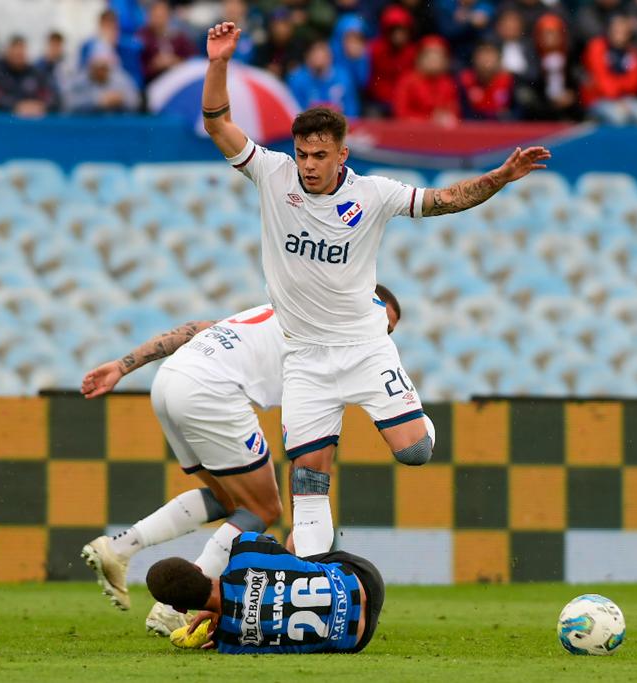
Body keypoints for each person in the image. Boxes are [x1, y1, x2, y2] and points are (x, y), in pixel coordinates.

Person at [202, 21, 549, 558]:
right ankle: (313, 576)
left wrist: (499, 177)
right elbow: (218, 123)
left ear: (342, 154)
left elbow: (445, 200)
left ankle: (413, 417)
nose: (308, 165)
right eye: (302, 154)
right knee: (309, 483)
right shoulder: (272, 176)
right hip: (304, 360)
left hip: (365, 348)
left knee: (414, 453)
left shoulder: (375, 194)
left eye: (319, 155)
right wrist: (219, 62)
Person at [79, 289, 403, 633]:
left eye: (389, 332)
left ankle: (119, 548)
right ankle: (175, 608)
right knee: (263, 509)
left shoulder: (289, 307)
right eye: (383, 323)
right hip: (210, 390)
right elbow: (308, 457)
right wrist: (304, 527)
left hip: (171, 379)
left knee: (229, 501)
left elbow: (195, 330)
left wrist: (122, 365)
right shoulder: (330, 344)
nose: (381, 334)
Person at [146, 532, 384, 654]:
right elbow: (279, 552)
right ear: (198, 568)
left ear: (181, 609)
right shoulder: (245, 548)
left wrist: (227, 616)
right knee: (288, 562)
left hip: (357, 638)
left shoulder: (229, 643)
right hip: (363, 578)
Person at [580, 14, 637, 126]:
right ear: (608, 30)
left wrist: (621, 97)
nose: (619, 34)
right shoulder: (596, 47)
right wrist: (617, 97)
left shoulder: (633, 52)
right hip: (597, 98)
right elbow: (600, 79)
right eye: (616, 30)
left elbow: (635, 82)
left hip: (625, 98)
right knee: (618, 118)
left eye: (623, 31)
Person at [0, 35, 58, 117]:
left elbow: (53, 98)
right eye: (15, 53)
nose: (18, 55)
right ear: (7, 51)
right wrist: (15, 105)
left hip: (32, 123)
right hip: (0, 122)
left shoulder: (36, 73)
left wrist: (40, 106)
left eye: (21, 53)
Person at [392, 35, 460, 125]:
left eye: (439, 56)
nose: (434, 60)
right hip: (412, 134)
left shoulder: (448, 84)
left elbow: (453, 114)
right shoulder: (407, 81)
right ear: (419, 58)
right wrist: (430, 121)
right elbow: (400, 115)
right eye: (429, 55)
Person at [63, 40, 139, 114]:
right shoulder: (80, 79)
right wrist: (96, 101)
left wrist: (120, 99)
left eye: (103, 67)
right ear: (91, 65)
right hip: (84, 125)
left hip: (115, 125)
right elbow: (67, 102)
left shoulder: (121, 78)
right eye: (97, 67)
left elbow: (135, 101)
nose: (100, 72)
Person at [287, 39, 358, 118]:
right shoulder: (297, 79)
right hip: (309, 126)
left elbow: (351, 108)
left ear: (330, 57)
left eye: (322, 56)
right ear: (307, 58)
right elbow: (293, 109)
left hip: (338, 126)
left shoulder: (343, 77)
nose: (319, 59)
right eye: (315, 55)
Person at [366, 5, 417, 115]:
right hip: (378, 102)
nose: (398, 35)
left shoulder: (413, 52)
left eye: (402, 31)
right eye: (394, 31)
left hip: (404, 102)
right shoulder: (375, 50)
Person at [138, 0, 194, 84]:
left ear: (168, 16)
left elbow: (193, 60)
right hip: (154, 82)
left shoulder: (179, 37)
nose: (159, 19)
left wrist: (176, 61)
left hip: (180, 79)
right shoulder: (142, 38)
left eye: (162, 15)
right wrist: (155, 65)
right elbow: (138, 69)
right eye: (155, 15)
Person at [459, 42, 514, 120]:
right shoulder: (464, 81)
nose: (486, 60)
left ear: (499, 60)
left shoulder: (510, 81)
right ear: (474, 59)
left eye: (490, 55)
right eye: (482, 55)